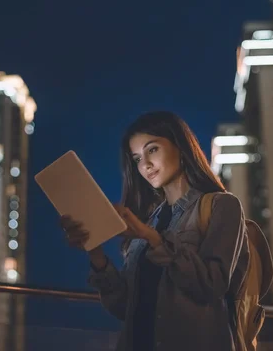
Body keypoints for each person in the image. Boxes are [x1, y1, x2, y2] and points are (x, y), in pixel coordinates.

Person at [60, 111, 248, 351]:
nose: (145, 164)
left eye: (152, 150)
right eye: (137, 158)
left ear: (181, 146)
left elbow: (212, 286)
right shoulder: (148, 222)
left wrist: (152, 239)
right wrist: (95, 251)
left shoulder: (222, 206)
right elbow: (124, 307)